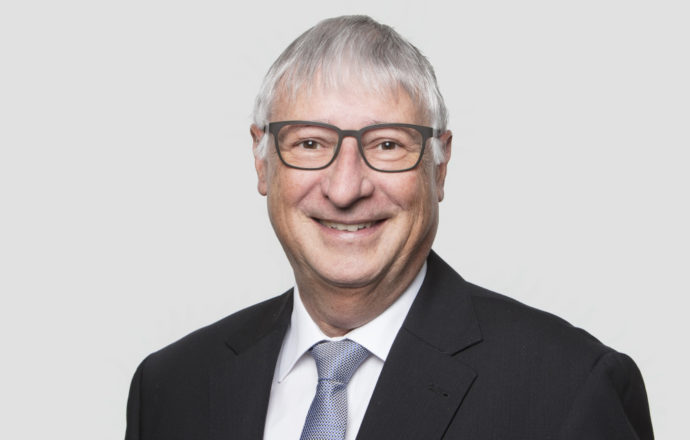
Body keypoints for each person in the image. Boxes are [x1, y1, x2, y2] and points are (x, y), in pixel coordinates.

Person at [125, 15, 653, 440]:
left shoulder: (567, 389)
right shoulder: (170, 389)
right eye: (309, 143)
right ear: (263, 163)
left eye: (387, 145)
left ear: (439, 167)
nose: (345, 188)